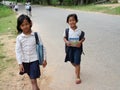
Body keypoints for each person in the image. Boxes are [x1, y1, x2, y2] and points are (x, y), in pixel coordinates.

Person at [15, 14, 47, 90]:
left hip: (34, 60)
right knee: (33, 80)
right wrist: (20, 64)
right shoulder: (19, 38)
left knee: (33, 81)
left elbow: (42, 47)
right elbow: (18, 51)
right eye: (22, 25)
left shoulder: (36, 35)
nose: (25, 26)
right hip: (25, 61)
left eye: (26, 24)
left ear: (30, 23)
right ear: (20, 27)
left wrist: (44, 59)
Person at [63, 14, 85, 84]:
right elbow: (64, 38)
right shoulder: (67, 30)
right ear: (67, 22)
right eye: (70, 20)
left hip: (77, 49)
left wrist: (80, 42)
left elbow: (83, 38)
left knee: (77, 62)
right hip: (70, 48)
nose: (72, 22)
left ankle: (78, 77)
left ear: (76, 21)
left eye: (73, 20)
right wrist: (66, 42)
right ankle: (77, 68)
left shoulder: (80, 31)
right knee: (72, 61)